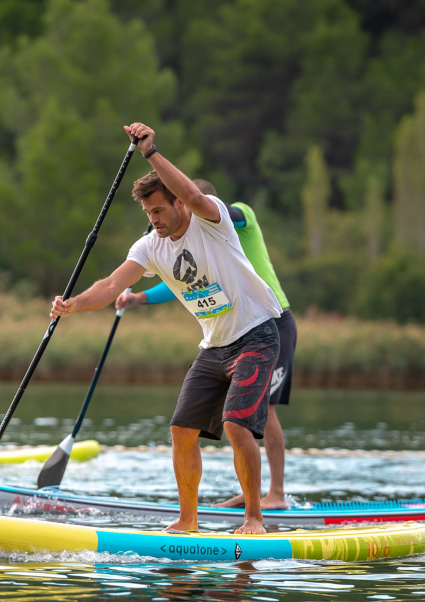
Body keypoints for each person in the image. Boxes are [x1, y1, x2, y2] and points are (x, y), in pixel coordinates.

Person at [51, 122, 282, 535]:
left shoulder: (210, 220)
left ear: (178, 204)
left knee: (235, 424)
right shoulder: (149, 247)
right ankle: (187, 521)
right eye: (147, 213)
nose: (153, 219)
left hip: (257, 334)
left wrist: (150, 152)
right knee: (180, 429)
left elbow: (194, 194)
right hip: (214, 346)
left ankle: (254, 518)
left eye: (158, 210)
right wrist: (72, 305)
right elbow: (111, 285)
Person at [117, 179, 296, 511]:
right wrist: (140, 296)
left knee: (263, 410)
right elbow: (182, 281)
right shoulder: (194, 241)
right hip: (232, 332)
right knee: (235, 418)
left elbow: (207, 205)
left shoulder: (236, 215)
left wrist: (188, 205)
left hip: (272, 319)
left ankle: (276, 494)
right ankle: (253, 491)